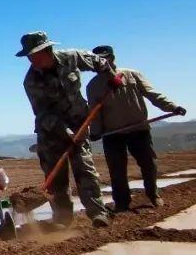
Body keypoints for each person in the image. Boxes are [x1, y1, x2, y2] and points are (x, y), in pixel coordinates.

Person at [18, 31, 118, 228]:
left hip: (79, 123)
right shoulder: (31, 81)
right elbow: (42, 112)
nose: (32, 60)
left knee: (85, 169)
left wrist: (110, 77)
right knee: (56, 179)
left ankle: (98, 214)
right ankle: (63, 219)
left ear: (48, 50)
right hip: (50, 131)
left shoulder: (71, 57)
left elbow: (99, 62)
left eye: (36, 55)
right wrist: (63, 131)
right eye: (29, 57)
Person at [87, 45, 187, 211]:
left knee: (149, 164)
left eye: (104, 59)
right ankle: (121, 203)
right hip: (113, 135)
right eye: (96, 61)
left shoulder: (132, 75)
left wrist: (172, 107)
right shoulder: (93, 86)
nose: (100, 63)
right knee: (117, 171)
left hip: (138, 129)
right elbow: (95, 112)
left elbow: (152, 94)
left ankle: (153, 194)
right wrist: (96, 132)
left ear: (113, 58)